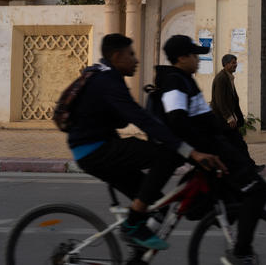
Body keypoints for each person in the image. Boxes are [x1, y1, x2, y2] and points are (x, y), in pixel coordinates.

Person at [67, 33, 226, 251]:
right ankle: (132, 223)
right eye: (131, 54)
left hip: (94, 150)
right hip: (96, 151)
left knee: (156, 203)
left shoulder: (106, 77)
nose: (136, 59)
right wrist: (189, 151)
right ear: (116, 56)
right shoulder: (108, 81)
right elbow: (142, 120)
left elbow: (125, 118)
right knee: (167, 154)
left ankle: (137, 253)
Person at [154, 35, 266, 265]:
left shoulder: (186, 80)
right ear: (181, 57)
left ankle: (233, 237)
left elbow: (203, 117)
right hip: (210, 151)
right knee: (258, 190)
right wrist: (196, 153)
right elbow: (178, 120)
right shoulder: (176, 81)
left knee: (237, 194)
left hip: (216, 146)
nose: (198, 59)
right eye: (194, 55)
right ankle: (241, 252)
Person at [211, 54, 260, 167]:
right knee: (236, 144)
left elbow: (233, 100)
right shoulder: (221, 78)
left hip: (226, 120)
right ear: (226, 64)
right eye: (233, 63)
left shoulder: (228, 77)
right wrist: (229, 117)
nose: (235, 65)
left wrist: (239, 118)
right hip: (222, 120)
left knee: (237, 144)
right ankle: (247, 166)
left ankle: (247, 166)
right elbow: (220, 101)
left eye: (235, 62)